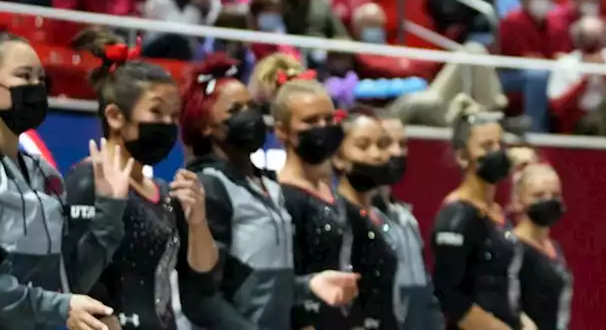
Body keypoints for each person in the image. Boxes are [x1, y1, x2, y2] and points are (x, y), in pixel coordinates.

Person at [178, 56, 358, 330]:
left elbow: (260, 282)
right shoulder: (210, 186)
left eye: (251, 105)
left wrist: (308, 285)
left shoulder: (268, 186)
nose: (248, 114)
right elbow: (201, 298)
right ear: (206, 125)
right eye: (235, 109)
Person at [65, 30, 219, 330]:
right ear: (115, 116)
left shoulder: (161, 191)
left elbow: (204, 277)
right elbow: (72, 279)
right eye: (156, 112)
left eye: (173, 116)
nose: (166, 125)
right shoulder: (86, 180)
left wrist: (198, 221)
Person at [0, 32, 125, 330]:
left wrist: (110, 209)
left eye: (40, 79)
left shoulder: (47, 175)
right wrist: (62, 307)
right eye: (23, 76)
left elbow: (67, 278)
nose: (35, 87)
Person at [431, 110, 534, 330]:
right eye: (487, 146)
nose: (496, 152)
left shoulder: (495, 211)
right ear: (462, 156)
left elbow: (505, 284)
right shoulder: (457, 216)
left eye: (500, 144)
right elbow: (448, 295)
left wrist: (523, 322)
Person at [273, 78, 351, 330]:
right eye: (310, 121)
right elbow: (286, 280)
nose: (323, 127)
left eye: (328, 119)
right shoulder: (282, 196)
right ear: (282, 130)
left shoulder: (330, 191)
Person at [333, 108, 399, 330]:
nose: (376, 155)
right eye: (363, 146)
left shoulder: (382, 216)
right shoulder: (337, 215)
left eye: (382, 145)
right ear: (338, 158)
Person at [377, 117, 445, 330]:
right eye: (386, 143)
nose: (397, 152)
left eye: (403, 144)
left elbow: (424, 292)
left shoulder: (406, 217)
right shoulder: (353, 217)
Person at [513, 163, 572, 330]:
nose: (548, 201)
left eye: (555, 195)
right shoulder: (511, 247)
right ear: (519, 200)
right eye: (538, 196)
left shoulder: (555, 249)